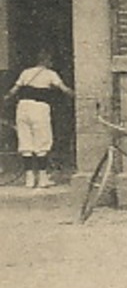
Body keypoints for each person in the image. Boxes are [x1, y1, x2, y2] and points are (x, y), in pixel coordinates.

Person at [4, 50, 72, 190]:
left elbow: (13, 91)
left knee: (25, 142)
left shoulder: (26, 72)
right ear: (47, 61)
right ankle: (42, 178)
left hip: (22, 107)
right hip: (39, 107)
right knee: (42, 141)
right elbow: (64, 89)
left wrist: (5, 99)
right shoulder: (50, 74)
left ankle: (29, 179)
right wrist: (76, 95)